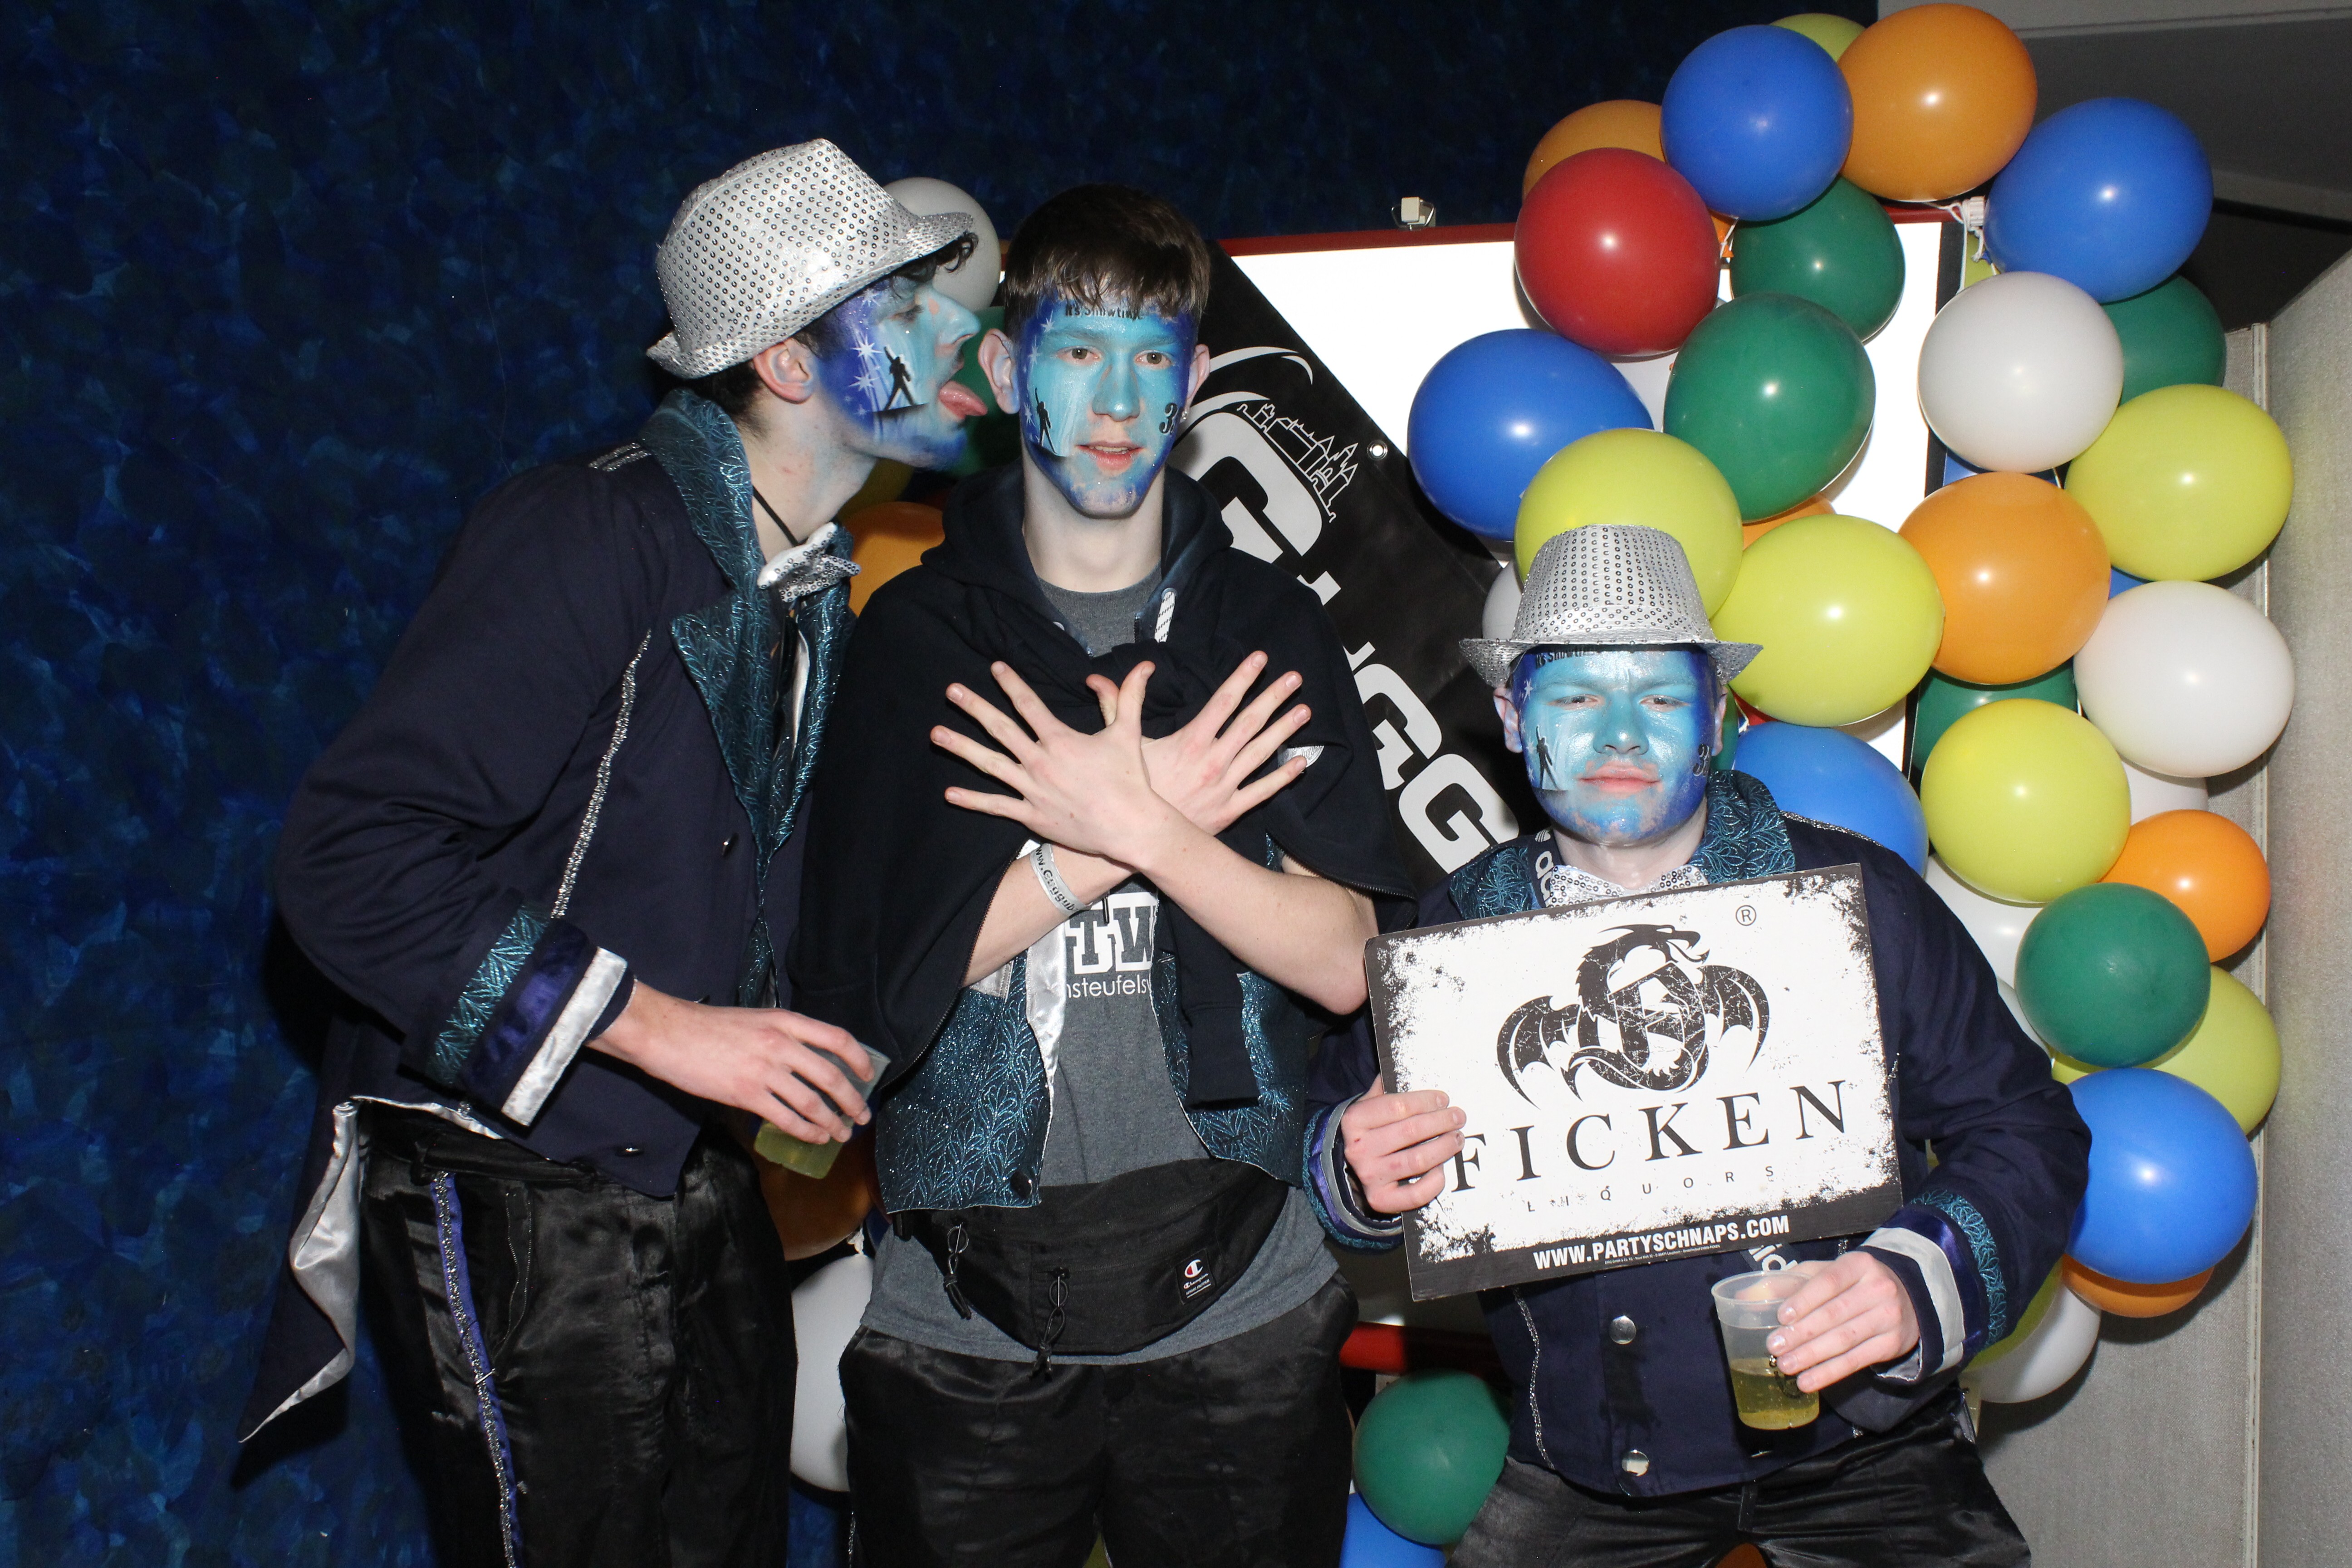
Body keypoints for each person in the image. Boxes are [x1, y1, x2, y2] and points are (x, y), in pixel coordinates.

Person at [241, 140, 989, 1567]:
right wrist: (670, 1029)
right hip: (512, 1184)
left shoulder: (802, 581)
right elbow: (348, 858)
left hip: (687, 1174)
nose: (963, 337)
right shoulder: (591, 528)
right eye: (910, 310)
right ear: (786, 362)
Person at [789, 184, 1415, 1568]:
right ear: (1012, 372)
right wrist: (1092, 848)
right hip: (960, 1321)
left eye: (1152, 357)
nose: (1119, 401)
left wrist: (1157, 830)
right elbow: (858, 994)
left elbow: (1350, 965)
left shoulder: (1268, 631)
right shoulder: (914, 641)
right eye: (1079, 352)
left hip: (1244, 1308)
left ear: (1196, 380)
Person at [1310, 524, 2091, 1567]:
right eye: (1576, 699)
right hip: (1592, 1461)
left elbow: (2027, 1128)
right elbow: (1329, 1142)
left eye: (1661, 699)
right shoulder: (1452, 945)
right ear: (1512, 716)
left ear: (1717, 717)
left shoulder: (1853, 902)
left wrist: (1921, 1276)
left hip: (1872, 1448)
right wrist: (1358, 1168)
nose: (1619, 736)